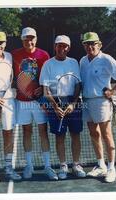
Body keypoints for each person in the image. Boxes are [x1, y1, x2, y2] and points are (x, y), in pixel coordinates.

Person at [12, 27, 58, 180]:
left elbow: (50, 78)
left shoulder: (44, 55)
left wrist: (43, 88)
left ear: (36, 39)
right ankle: (29, 165)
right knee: (26, 132)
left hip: (39, 102)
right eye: (26, 38)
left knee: (43, 131)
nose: (29, 41)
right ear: (22, 40)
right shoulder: (14, 55)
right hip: (21, 101)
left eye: (31, 38)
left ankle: (47, 166)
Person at [39, 35, 86, 180]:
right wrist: (55, 106)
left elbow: (78, 84)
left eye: (65, 46)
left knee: (75, 134)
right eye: (59, 45)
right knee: (60, 136)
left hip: (73, 101)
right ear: (55, 47)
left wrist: (74, 102)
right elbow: (45, 89)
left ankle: (76, 165)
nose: (62, 48)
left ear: (69, 48)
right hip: (55, 102)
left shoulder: (73, 63)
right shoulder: (48, 64)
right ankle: (63, 165)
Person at [80, 32, 116, 183]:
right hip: (87, 101)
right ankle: (100, 165)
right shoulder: (83, 60)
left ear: (99, 44)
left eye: (93, 43)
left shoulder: (107, 59)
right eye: (87, 44)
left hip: (102, 102)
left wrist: (113, 91)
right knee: (94, 134)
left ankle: (111, 168)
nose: (90, 46)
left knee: (107, 135)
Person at [0, 31, 22, 186]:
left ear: (5, 43)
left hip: (8, 101)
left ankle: (8, 167)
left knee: (8, 133)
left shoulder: (9, 57)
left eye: (1, 43)